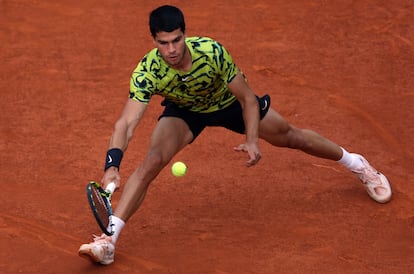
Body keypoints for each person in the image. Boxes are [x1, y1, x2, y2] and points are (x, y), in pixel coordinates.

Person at [78, 5, 392, 265]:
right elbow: (126, 124)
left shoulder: (211, 52)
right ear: (154, 41)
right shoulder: (147, 71)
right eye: (163, 43)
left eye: (176, 40)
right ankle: (109, 240)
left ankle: (357, 164)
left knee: (291, 136)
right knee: (152, 161)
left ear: (185, 34)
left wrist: (253, 140)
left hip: (229, 104)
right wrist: (112, 164)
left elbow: (247, 99)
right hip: (185, 111)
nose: (171, 50)